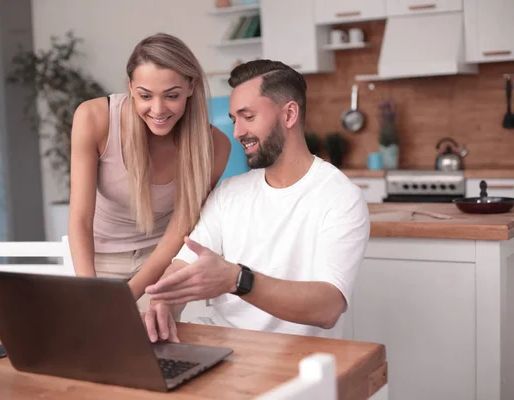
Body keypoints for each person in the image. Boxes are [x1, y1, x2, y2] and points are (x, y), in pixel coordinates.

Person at [142, 59, 370, 342]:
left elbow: (328, 306)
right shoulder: (229, 193)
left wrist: (237, 280)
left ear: (289, 115)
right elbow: (184, 268)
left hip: (305, 363)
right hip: (228, 353)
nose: (237, 132)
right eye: (234, 119)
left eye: (248, 117)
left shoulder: (339, 196)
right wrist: (162, 303)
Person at [68, 33, 231, 309]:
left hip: (164, 262)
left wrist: (129, 296)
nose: (158, 110)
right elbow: (80, 218)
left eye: (172, 96)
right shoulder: (94, 118)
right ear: (130, 87)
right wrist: (91, 293)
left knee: (156, 345)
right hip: (100, 258)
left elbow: (180, 227)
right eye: (145, 95)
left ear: (191, 87)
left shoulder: (214, 146)